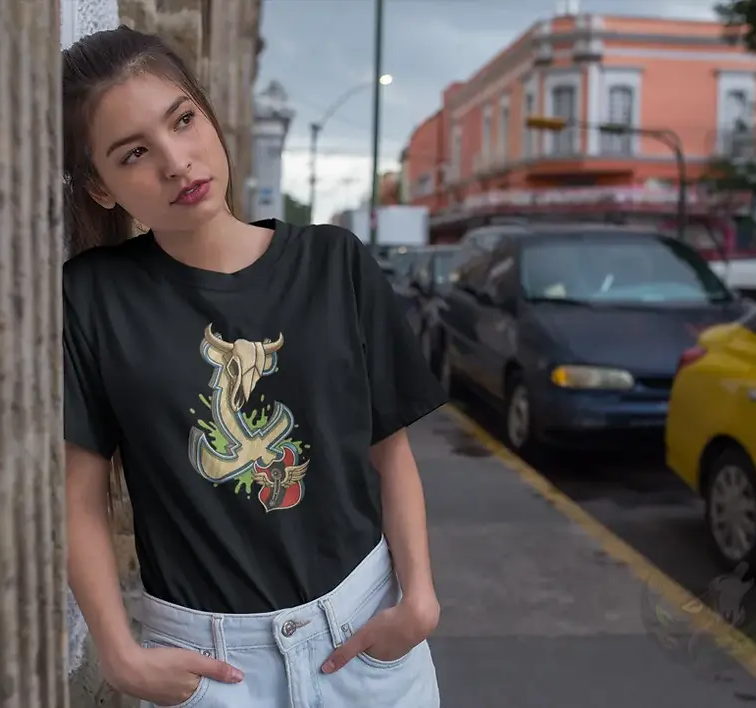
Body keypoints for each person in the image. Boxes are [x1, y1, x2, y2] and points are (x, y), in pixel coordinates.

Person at [62, 25, 447, 708]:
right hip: (209, 671)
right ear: (100, 187)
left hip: (365, 641)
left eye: (183, 121)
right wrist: (120, 653)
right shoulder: (94, 298)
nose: (177, 162)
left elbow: (389, 452)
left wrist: (418, 596)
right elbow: (79, 495)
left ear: (209, 115)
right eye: (134, 154)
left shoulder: (335, 265)